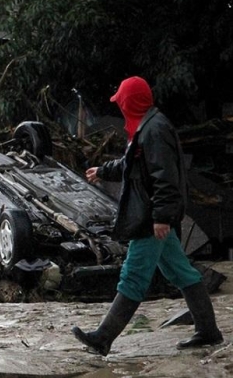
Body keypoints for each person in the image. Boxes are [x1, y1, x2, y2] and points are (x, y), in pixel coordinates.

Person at [72, 76, 223, 355]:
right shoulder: (148, 126)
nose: (120, 106)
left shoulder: (154, 130)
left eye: (122, 101)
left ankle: (103, 338)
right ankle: (208, 331)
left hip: (149, 217)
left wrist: (162, 217)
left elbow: (165, 177)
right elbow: (133, 165)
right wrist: (103, 171)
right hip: (152, 214)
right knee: (182, 272)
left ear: (131, 102)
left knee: (133, 276)